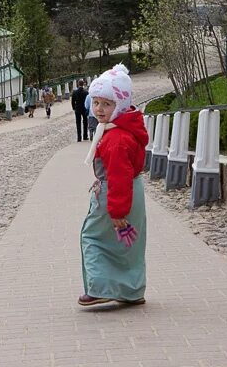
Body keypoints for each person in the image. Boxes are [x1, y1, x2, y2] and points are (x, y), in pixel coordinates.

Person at [79, 64, 149, 308]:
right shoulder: (122, 128)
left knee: (93, 237)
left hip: (116, 193)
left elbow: (118, 174)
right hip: (133, 190)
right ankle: (131, 290)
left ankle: (100, 288)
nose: (99, 109)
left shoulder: (116, 138)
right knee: (129, 246)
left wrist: (117, 211)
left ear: (119, 105)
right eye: (96, 102)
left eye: (106, 104)